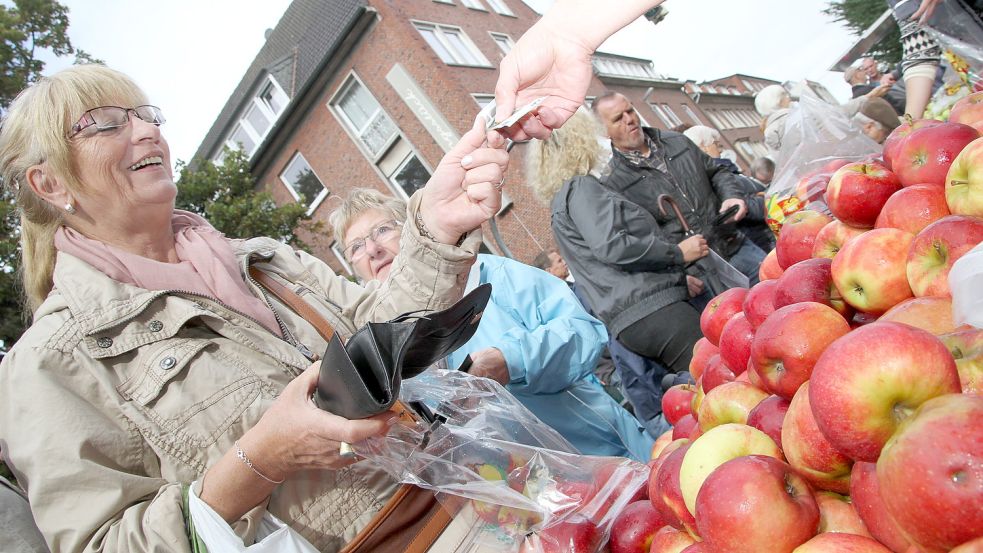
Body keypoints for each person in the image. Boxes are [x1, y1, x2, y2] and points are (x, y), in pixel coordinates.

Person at [0, 64, 510, 552]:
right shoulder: (48, 364)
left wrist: (436, 229)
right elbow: (107, 543)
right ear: (49, 184)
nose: (144, 131)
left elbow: (383, 336)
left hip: (468, 502)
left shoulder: (264, 260)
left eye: (145, 114)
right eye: (105, 123)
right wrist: (262, 459)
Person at [331, 188, 655, 461]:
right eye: (356, 247)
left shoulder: (484, 276)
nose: (373, 250)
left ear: (410, 234)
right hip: (530, 505)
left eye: (382, 230)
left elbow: (583, 330)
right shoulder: (379, 355)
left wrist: (511, 360)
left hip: (605, 457)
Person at [683, 126, 776, 253]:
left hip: (764, 233)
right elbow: (741, 206)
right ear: (703, 147)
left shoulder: (724, 170)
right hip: (760, 238)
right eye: (716, 144)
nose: (720, 149)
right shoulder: (714, 176)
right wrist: (769, 199)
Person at [754, 85, 793, 158]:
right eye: (785, 95)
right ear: (778, 101)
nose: (789, 98)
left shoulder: (768, 129)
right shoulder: (791, 118)